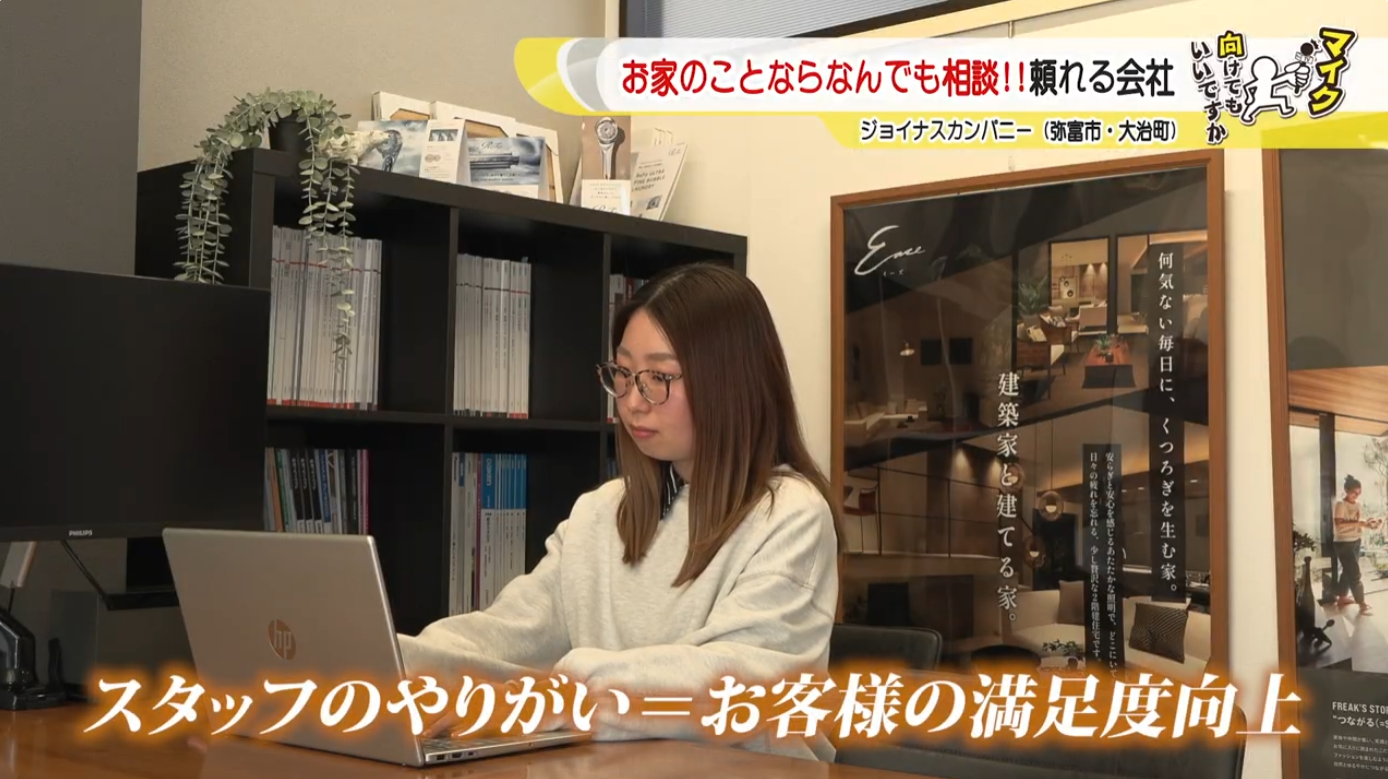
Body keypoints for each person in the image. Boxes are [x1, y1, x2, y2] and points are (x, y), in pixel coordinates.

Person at [396, 262, 841, 761]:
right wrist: (401, 662)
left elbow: (734, 684)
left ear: (731, 381)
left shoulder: (791, 515)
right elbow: (510, 632)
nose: (632, 402)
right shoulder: (601, 511)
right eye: (624, 375)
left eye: (659, 377)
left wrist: (554, 696)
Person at [1331, 474, 1380, 615]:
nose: (1357, 495)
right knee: (1355, 573)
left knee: (1348, 571)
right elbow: (1339, 524)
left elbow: (1357, 523)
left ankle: (1342, 598)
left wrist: (1369, 524)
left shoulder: (1357, 505)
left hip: (1356, 540)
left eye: (1359, 492)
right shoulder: (1341, 504)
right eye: (1354, 492)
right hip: (1343, 542)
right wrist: (1359, 523)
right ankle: (1362, 603)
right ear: (1346, 490)